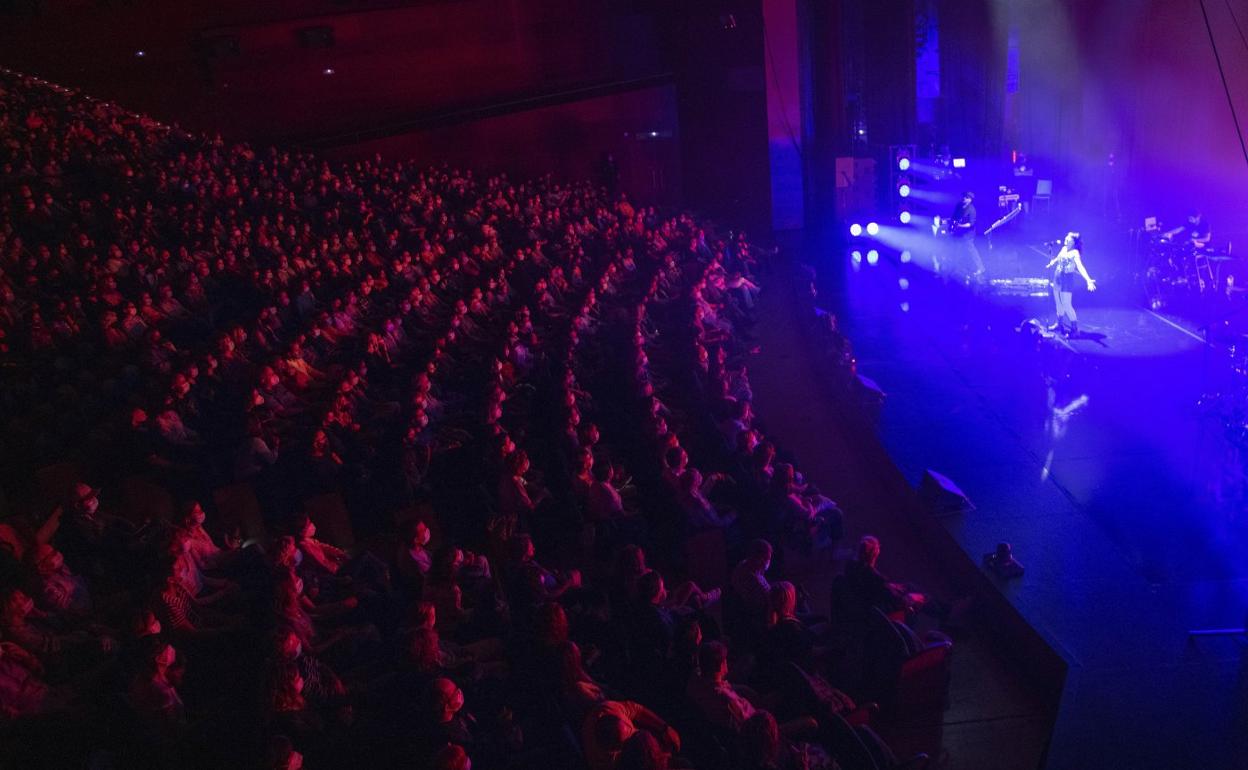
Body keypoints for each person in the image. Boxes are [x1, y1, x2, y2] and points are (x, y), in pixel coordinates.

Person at [1044, 232, 1096, 337]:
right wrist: (1051, 263)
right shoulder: (1063, 249)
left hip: (1066, 280)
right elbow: (1058, 258)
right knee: (1058, 303)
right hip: (1057, 277)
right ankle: (1059, 324)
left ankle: (1075, 329)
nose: (1066, 238)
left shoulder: (1075, 253)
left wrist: (1088, 280)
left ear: (1073, 242)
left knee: (1066, 305)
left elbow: (1080, 267)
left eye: (1068, 238)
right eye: (1066, 237)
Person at [948, 191, 985, 280]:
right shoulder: (959, 206)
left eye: (967, 197)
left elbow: (970, 224)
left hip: (968, 234)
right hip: (958, 232)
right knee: (956, 248)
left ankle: (980, 268)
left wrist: (960, 226)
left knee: (970, 250)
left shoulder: (972, 210)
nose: (964, 198)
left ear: (970, 200)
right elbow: (953, 218)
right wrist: (949, 223)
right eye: (964, 197)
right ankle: (956, 267)